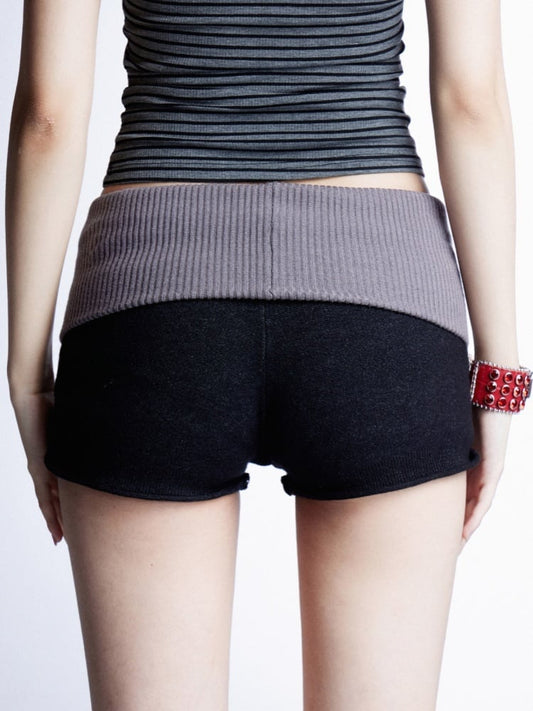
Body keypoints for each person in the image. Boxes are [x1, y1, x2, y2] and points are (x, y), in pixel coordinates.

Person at [5, 0, 530, 709]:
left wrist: (26, 374)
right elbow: (471, 100)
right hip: (381, 311)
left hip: (153, 311)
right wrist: (499, 378)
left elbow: (48, 114)